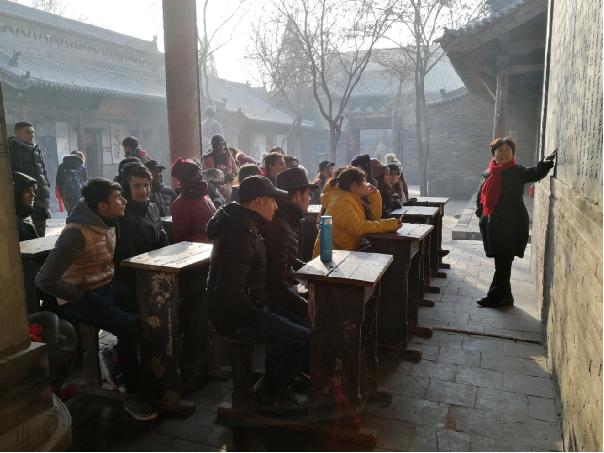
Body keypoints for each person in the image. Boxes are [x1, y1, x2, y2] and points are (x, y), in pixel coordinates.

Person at [35, 178, 158, 421]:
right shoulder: (76, 234)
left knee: (149, 306)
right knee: (127, 326)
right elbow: (44, 280)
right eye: (118, 198)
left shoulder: (108, 221)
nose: (124, 201)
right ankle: (133, 394)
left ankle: (119, 359)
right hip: (78, 296)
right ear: (102, 206)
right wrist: (78, 294)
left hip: (104, 285)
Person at [206, 176, 310, 410]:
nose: (276, 207)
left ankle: (276, 384)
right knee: (306, 340)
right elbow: (229, 291)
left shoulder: (248, 225)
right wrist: (259, 318)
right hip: (236, 317)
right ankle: (274, 392)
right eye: (272, 201)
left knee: (301, 328)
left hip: (251, 306)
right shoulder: (240, 232)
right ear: (259, 201)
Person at [475, 137, 557, 308]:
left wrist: (545, 163)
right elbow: (480, 195)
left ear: (513, 153)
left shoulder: (517, 171)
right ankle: (506, 297)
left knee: (503, 262)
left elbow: (535, 173)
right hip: (493, 225)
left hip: (511, 224)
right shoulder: (489, 173)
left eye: (507, 150)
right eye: (500, 150)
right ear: (494, 154)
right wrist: (480, 213)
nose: (504, 153)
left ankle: (495, 297)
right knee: (502, 261)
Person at [263, 167, 317, 321]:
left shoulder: (286, 218)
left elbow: (288, 259)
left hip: (286, 289)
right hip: (273, 300)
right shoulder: (279, 226)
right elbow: (276, 285)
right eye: (308, 194)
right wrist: (307, 310)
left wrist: (313, 272)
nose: (310, 199)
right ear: (298, 196)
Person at [312, 166, 401, 256]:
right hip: (328, 255)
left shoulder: (352, 198)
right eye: (363, 181)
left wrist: (374, 195)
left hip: (341, 253)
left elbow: (374, 219)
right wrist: (389, 224)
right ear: (354, 184)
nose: (366, 184)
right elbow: (358, 228)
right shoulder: (341, 201)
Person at [114, 162, 168, 284]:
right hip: (134, 278)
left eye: (146, 185)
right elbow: (126, 257)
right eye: (137, 186)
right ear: (126, 188)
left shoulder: (153, 208)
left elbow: (161, 238)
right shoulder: (122, 215)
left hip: (157, 268)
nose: (144, 191)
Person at [9, 121, 51, 236]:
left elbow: (43, 169)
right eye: (28, 132)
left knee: (41, 228)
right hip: (23, 195)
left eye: (33, 132)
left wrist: (46, 184)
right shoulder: (10, 148)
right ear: (18, 133)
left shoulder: (36, 148)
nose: (32, 135)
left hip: (40, 193)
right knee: (24, 229)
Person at [171, 158, 217, 243]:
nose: (201, 176)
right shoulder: (180, 204)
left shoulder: (204, 196)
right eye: (196, 174)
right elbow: (182, 240)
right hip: (203, 249)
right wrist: (211, 238)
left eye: (200, 172)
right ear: (186, 179)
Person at [13, 171, 39, 241]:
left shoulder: (24, 219)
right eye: (28, 191)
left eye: (33, 191)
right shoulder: (15, 226)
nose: (33, 195)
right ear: (16, 194)